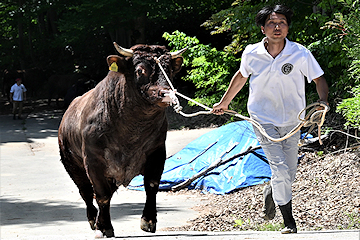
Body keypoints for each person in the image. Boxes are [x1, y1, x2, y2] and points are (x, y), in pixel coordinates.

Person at [212, 5, 329, 234]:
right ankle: (289, 221)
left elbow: (318, 79)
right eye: (272, 23)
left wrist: (323, 100)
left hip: (293, 119)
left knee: (289, 173)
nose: (278, 27)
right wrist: (224, 102)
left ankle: (271, 190)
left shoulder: (300, 53)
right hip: (262, 118)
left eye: (282, 23)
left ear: (288, 27)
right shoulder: (251, 53)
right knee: (280, 168)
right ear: (263, 28)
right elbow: (241, 76)